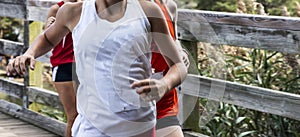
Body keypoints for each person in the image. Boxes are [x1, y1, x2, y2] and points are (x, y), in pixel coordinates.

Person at [6, 0, 187, 136]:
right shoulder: (73, 12)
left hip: (139, 125)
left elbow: (178, 66)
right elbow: (47, 38)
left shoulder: (148, 11)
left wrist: (164, 84)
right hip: (92, 126)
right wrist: (29, 53)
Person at [151, 0, 189, 137]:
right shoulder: (127, 8)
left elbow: (174, 40)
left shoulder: (170, 6)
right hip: (133, 101)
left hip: (164, 100)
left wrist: (180, 52)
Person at [44, 1, 80, 137]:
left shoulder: (87, 7)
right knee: (73, 116)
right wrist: (48, 26)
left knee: (87, 116)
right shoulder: (57, 9)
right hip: (63, 64)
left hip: (83, 65)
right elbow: (47, 37)